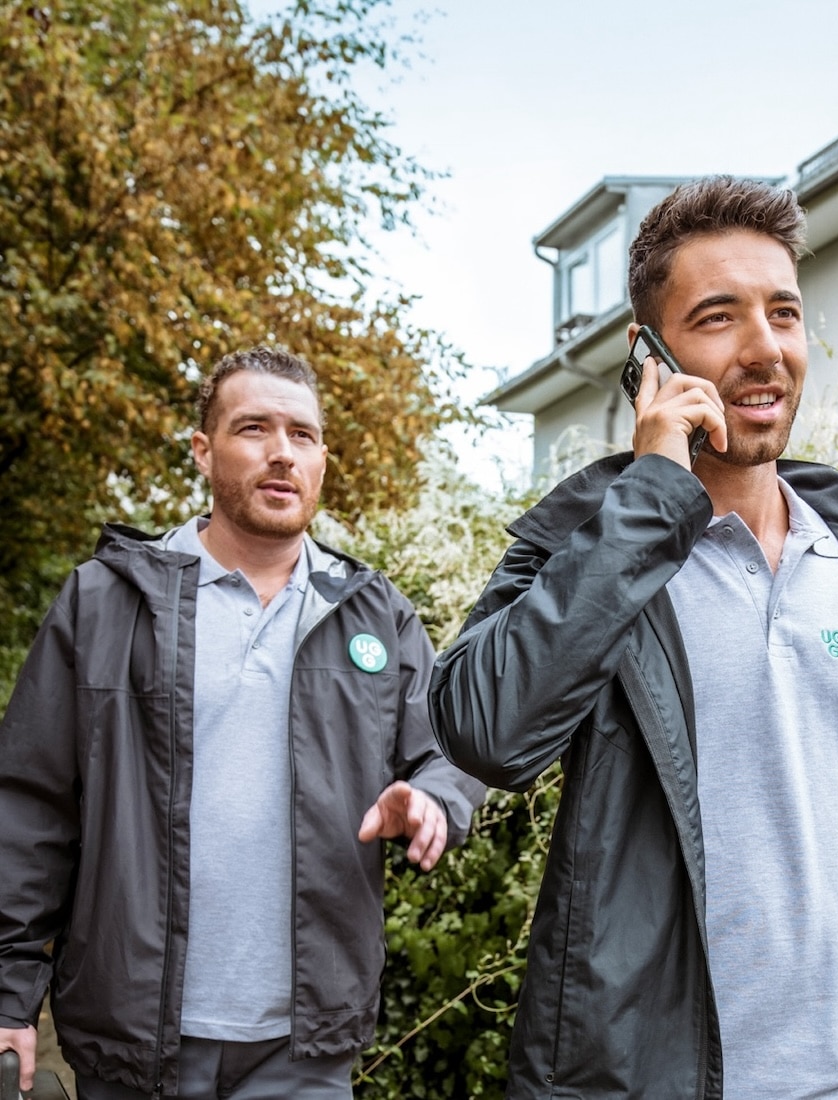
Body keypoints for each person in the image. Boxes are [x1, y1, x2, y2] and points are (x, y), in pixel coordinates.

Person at [429, 177, 838, 1099]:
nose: (764, 348)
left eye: (784, 313)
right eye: (718, 317)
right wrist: (652, 498)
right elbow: (482, 729)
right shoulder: (588, 541)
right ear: (646, 353)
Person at [0, 345, 485, 1099]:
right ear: (203, 450)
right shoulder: (103, 603)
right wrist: (9, 993)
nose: (282, 454)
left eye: (303, 435)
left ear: (323, 459)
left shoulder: (374, 613)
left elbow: (449, 751)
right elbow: (29, 806)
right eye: (254, 429)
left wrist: (432, 800)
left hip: (305, 1046)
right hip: (133, 1040)